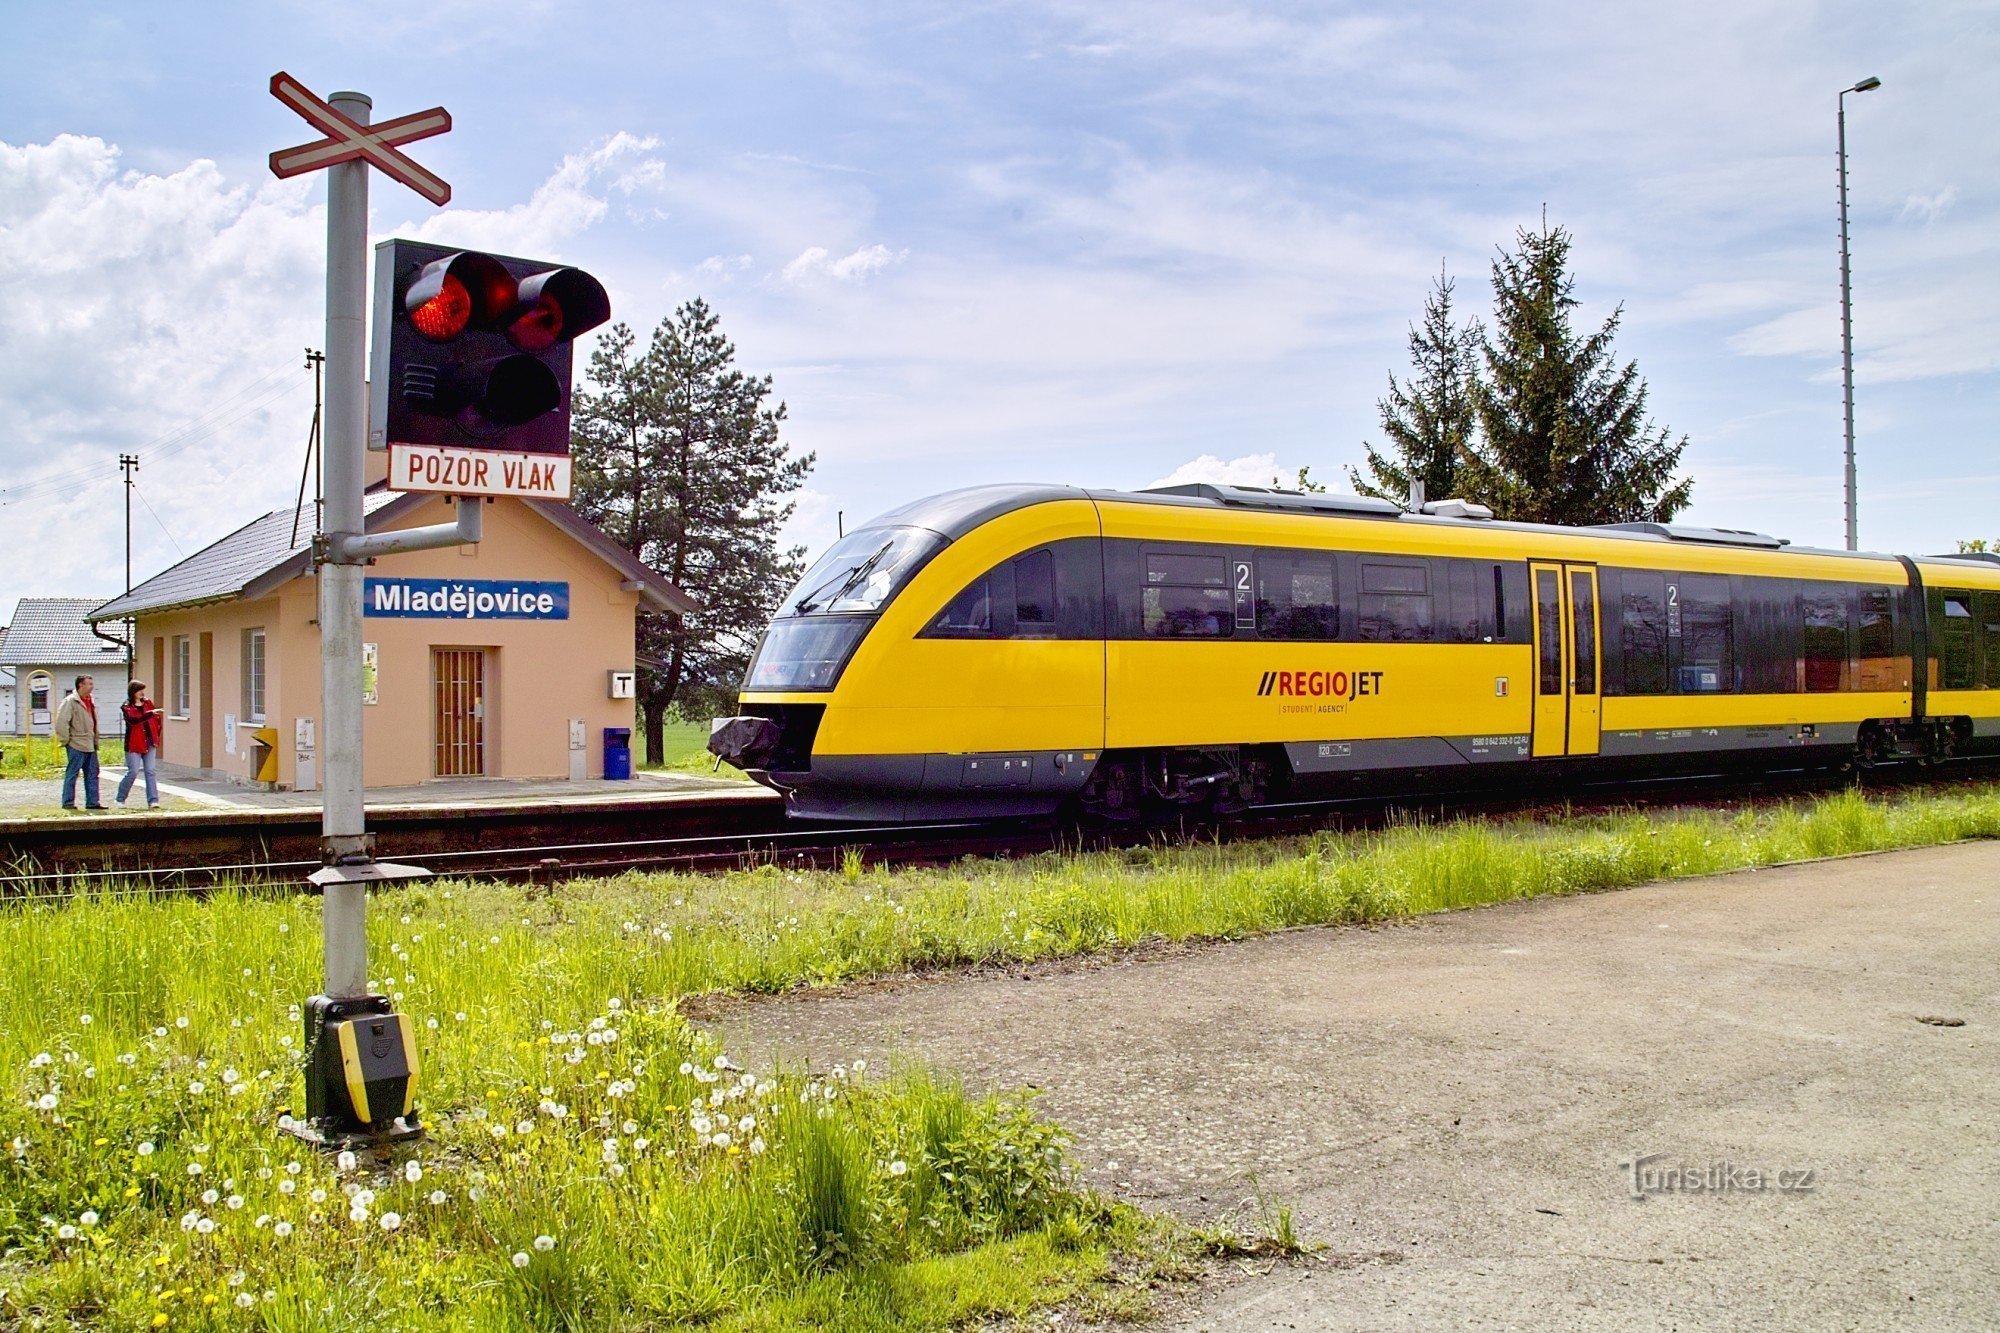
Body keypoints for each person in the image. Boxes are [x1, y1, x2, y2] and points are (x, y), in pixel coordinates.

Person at [54, 674, 104, 811]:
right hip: (76, 743)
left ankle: (93, 802)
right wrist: (66, 740)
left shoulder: (90, 701)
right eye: (89, 684)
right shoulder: (70, 701)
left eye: (91, 684)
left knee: (93, 773)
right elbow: (61, 722)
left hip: (90, 744)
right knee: (73, 773)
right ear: (80, 685)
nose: (91, 687)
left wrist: (95, 740)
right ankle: (68, 802)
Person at [117, 679, 164, 809]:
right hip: (134, 743)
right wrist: (148, 715)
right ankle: (120, 798)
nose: (142, 693)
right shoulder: (127, 706)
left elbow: (156, 720)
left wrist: (156, 734)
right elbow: (133, 721)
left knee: (150, 771)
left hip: (149, 742)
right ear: (133, 692)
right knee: (133, 771)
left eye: (143, 690)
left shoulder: (148, 703)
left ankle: (153, 800)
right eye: (139, 690)